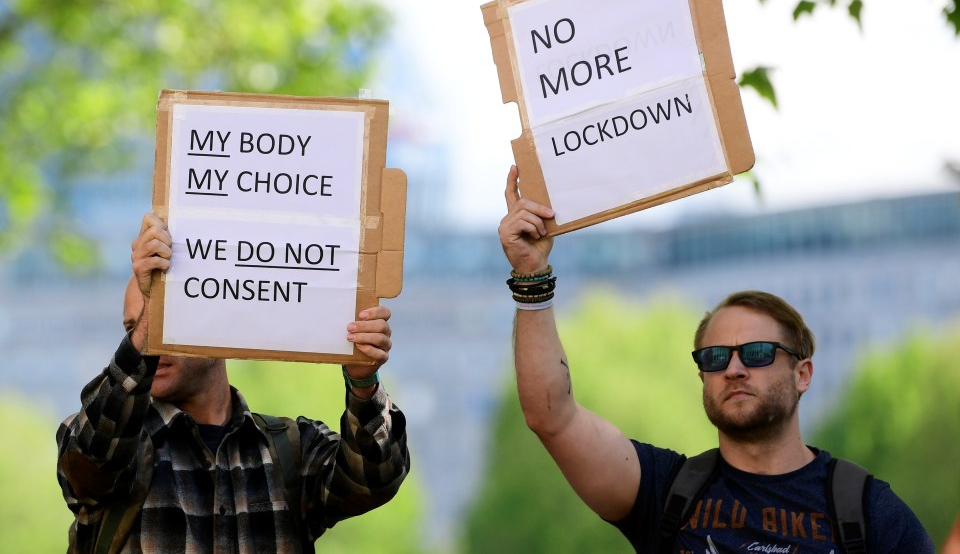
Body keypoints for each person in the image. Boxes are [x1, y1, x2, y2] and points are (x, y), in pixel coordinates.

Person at [497, 165, 934, 553]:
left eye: (758, 354)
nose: (734, 368)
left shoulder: (869, 512)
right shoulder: (665, 492)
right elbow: (552, 417)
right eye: (715, 357)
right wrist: (531, 277)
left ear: (803, 374)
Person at [57, 213, 410, 553]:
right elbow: (92, 454)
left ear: (220, 325)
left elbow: (373, 478)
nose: (150, 339)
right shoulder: (118, 448)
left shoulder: (291, 451)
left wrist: (364, 380)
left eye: (171, 314)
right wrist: (152, 312)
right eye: (134, 326)